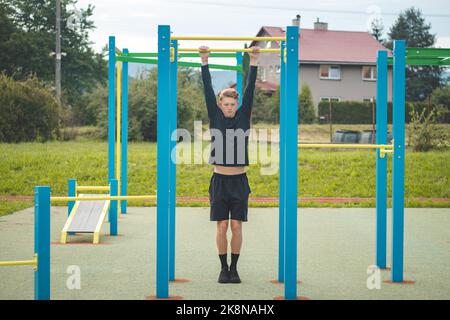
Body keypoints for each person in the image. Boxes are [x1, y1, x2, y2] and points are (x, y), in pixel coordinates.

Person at [199, 45, 260, 284]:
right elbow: (207, 89)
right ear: (220, 104)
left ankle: (234, 268)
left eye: (232, 104)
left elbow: (251, 89)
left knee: (236, 225)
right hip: (220, 181)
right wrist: (205, 61)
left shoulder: (243, 117)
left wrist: (253, 61)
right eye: (225, 104)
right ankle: (222, 268)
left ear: (237, 105)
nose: (229, 107)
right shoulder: (214, 117)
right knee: (222, 225)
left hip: (239, 181)